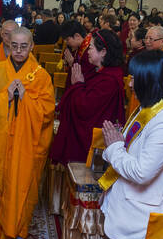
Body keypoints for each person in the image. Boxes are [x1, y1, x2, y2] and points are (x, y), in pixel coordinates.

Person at [0, 27, 54, 239]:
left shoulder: (40, 75)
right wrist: (5, 97)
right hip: (1, 141)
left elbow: (48, 109)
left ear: (32, 46)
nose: (19, 51)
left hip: (27, 145)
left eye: (24, 46)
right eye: (14, 46)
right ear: (8, 44)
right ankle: (6, 231)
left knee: (24, 190)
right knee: (1, 187)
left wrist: (27, 100)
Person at [99, 50, 163, 239]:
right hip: (126, 207)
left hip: (141, 221)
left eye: (135, 78)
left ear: (149, 80)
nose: (130, 84)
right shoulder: (149, 108)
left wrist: (114, 147)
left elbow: (141, 172)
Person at [49, 29, 125, 164]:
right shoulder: (97, 71)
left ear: (103, 52)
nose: (88, 52)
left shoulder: (110, 79)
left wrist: (77, 84)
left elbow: (84, 108)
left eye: (91, 48)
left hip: (92, 140)